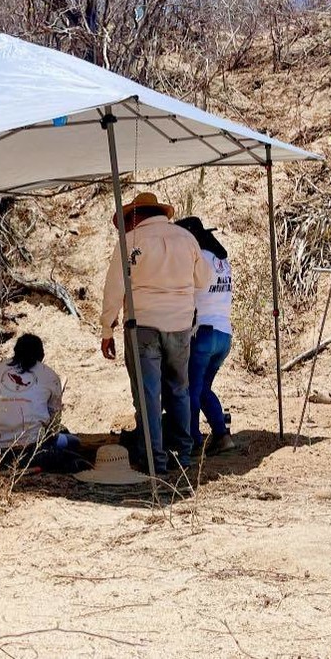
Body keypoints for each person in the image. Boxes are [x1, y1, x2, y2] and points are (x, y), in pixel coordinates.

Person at [99, 191, 210, 475]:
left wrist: (107, 328)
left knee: (149, 395)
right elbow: (204, 280)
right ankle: (182, 457)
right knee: (179, 390)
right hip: (181, 325)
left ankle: (154, 460)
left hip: (143, 324)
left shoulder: (131, 241)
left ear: (135, 215)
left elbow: (114, 289)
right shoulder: (187, 239)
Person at [176, 216, 237, 456]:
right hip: (224, 333)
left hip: (203, 332)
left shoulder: (196, 258)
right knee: (203, 389)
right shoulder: (222, 260)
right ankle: (222, 435)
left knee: (191, 389)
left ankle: (191, 442)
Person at [0, 334, 82, 471]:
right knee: (74, 442)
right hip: (32, 449)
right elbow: (54, 421)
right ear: (41, 355)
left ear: (15, 351)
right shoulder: (49, 375)